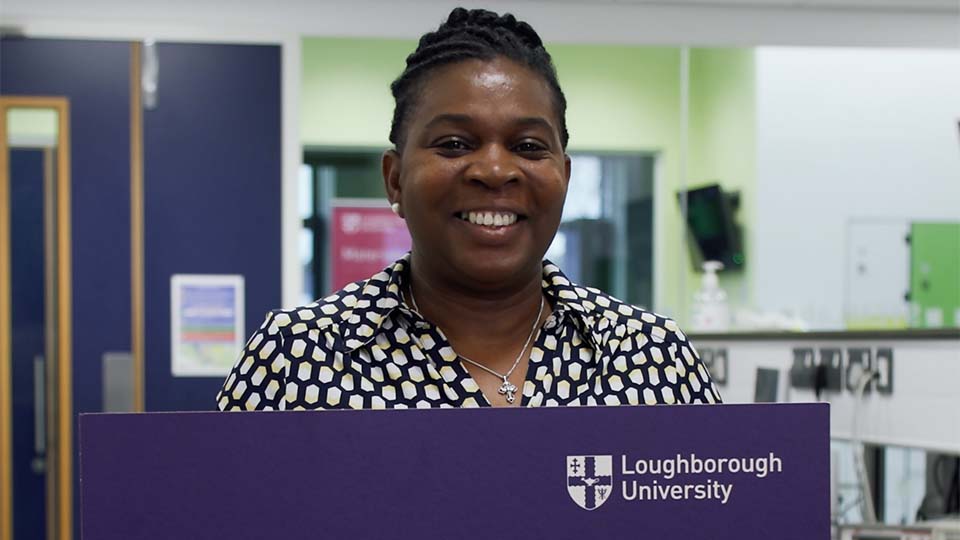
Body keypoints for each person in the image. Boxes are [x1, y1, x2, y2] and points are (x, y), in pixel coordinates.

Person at [216, 7, 721, 411]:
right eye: (455, 143)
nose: (495, 171)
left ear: (564, 177)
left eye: (527, 146)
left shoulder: (654, 358)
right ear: (394, 179)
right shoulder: (294, 360)